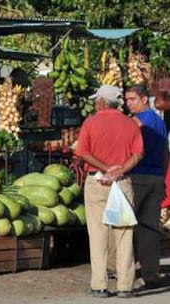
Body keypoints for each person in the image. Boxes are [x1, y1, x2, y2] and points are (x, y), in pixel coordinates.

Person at [76, 84, 143, 298]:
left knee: (98, 234)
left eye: (97, 100)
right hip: (122, 181)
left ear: (102, 102)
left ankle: (99, 285)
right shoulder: (131, 124)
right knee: (124, 233)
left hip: (97, 182)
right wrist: (119, 170)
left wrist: (106, 169)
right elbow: (138, 154)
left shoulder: (91, 122)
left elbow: (83, 152)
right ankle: (125, 286)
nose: (96, 103)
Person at [125, 84, 167, 288]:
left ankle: (127, 271)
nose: (129, 103)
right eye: (126, 100)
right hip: (156, 178)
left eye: (132, 99)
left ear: (144, 100)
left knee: (128, 225)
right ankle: (151, 274)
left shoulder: (138, 121)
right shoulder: (159, 122)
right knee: (149, 227)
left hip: (139, 176)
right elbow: (165, 152)